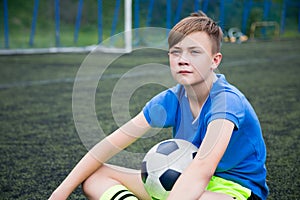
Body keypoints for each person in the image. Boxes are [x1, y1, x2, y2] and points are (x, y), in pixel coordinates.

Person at [49, 11, 269, 200]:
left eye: (195, 52)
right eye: (176, 52)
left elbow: (202, 169)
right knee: (96, 177)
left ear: (215, 60)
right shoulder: (171, 99)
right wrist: (60, 193)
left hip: (234, 191)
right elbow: (108, 145)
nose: (183, 59)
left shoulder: (226, 102)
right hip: (185, 181)